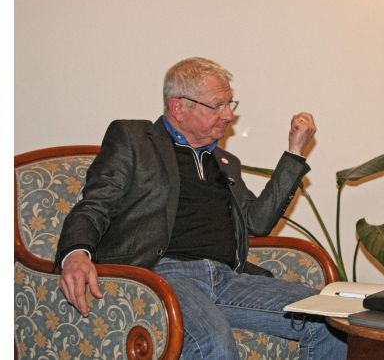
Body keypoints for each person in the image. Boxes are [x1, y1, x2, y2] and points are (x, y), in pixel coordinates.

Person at [55, 57, 347, 360]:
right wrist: (76, 253)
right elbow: (95, 205)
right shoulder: (135, 140)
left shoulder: (224, 163)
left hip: (226, 279)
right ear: (179, 107)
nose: (229, 115)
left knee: (328, 319)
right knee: (213, 340)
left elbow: (257, 222)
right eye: (218, 105)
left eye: (230, 104)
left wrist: (295, 152)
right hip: (163, 275)